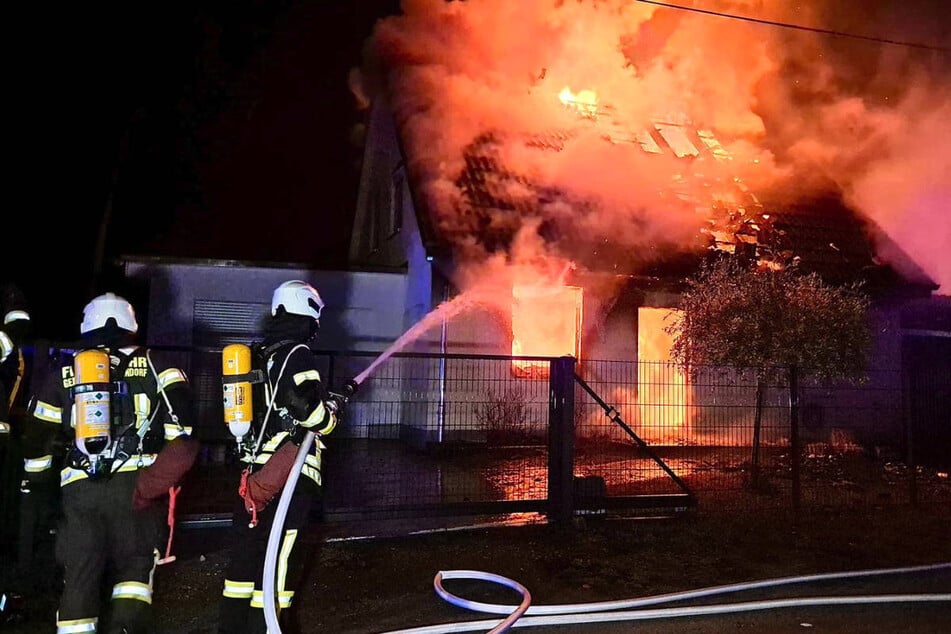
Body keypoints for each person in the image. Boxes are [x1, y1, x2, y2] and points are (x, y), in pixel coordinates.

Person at [20, 291, 200, 634]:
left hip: (80, 492)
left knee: (79, 579)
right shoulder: (157, 364)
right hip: (138, 491)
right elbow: (186, 428)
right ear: (132, 325)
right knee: (133, 576)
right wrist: (154, 482)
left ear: (87, 326)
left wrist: (38, 491)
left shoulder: (63, 371)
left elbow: (37, 438)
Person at [217, 280, 351, 634]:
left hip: (256, 480)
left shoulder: (260, 353)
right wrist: (330, 418)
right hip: (290, 477)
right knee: (278, 571)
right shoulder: (297, 352)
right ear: (308, 311)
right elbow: (304, 406)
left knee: (242, 573)